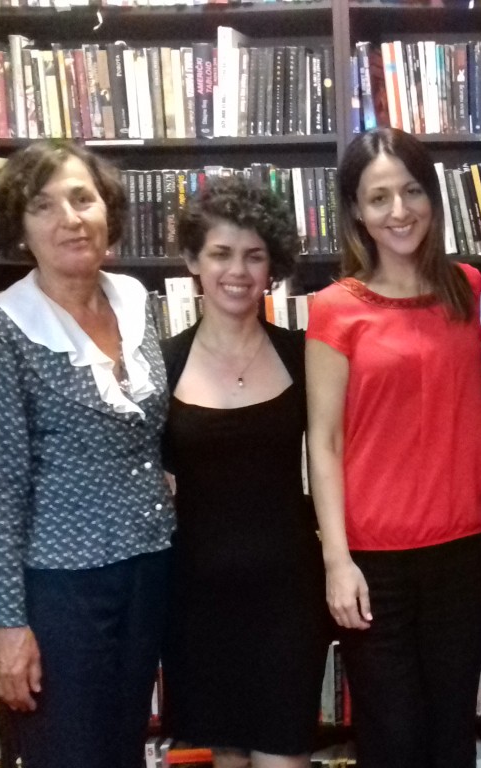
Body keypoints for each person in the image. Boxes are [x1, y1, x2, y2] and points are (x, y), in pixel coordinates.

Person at [0, 141, 174, 768]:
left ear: (107, 209)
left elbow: (152, 432)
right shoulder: (3, 328)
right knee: (69, 752)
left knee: (124, 744)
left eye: (83, 199)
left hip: (148, 569)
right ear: (20, 228)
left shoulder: (134, 300)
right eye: (44, 206)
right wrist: (8, 624)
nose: (70, 219)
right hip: (62, 586)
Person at [305, 128, 481, 768]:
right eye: (378, 197)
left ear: (432, 197)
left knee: (451, 734)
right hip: (373, 563)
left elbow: (462, 374)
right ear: (357, 211)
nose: (399, 210)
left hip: (460, 551)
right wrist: (337, 560)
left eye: (412, 191)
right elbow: (324, 439)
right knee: (392, 740)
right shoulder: (335, 308)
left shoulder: (465, 287)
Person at [160, 176, 330, 768]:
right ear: (193, 261)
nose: (237, 271)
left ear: (272, 266)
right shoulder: (161, 363)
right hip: (195, 603)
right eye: (221, 253)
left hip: (289, 599)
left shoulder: (303, 354)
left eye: (254, 255)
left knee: (285, 757)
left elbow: (336, 454)